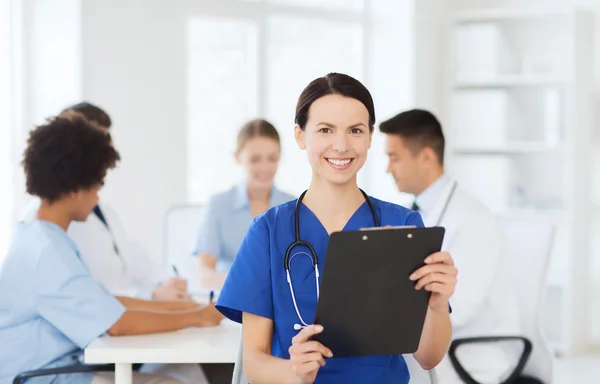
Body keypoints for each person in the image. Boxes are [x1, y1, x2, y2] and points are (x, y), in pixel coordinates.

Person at [215, 73, 458, 384]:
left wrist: (437, 304)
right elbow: (254, 362)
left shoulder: (403, 226)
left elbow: (428, 357)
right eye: (325, 130)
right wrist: (295, 370)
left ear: (370, 137)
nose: (341, 145)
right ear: (301, 136)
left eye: (355, 130)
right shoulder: (268, 231)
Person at [0, 114, 223, 384]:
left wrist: (187, 310)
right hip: (42, 376)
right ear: (73, 189)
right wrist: (198, 317)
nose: (97, 198)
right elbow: (117, 324)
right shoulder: (49, 252)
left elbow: (109, 304)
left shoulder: (42, 237)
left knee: (181, 372)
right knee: (172, 382)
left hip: (58, 367)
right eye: (97, 186)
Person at [379, 109, 521, 383]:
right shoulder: (412, 213)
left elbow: (460, 308)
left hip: (472, 354)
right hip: (435, 345)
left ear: (427, 157)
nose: (388, 168)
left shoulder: (472, 219)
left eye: (394, 158)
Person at [21, 102, 188, 301]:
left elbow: (131, 260)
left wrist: (166, 284)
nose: (108, 145)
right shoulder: (46, 233)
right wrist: (156, 298)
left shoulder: (102, 210)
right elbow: (97, 308)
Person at [193, 118, 294, 284]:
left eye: (272, 158)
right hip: (231, 302)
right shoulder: (218, 205)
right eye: (255, 159)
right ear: (237, 157)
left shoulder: (294, 206)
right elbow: (205, 273)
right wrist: (242, 287)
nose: (264, 167)